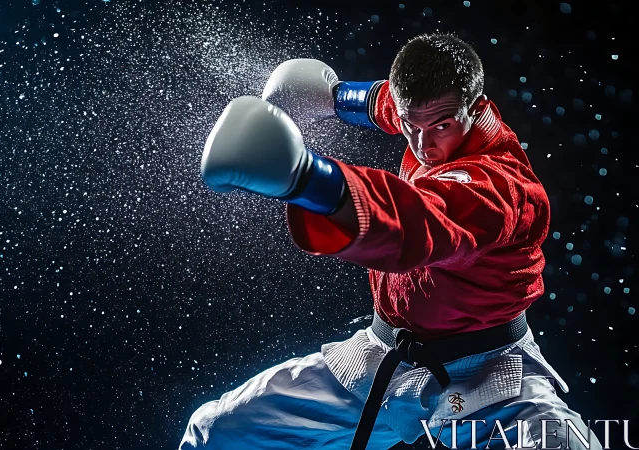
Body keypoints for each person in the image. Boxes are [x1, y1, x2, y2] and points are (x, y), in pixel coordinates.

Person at [181, 33, 601, 450]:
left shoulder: (502, 187)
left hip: (488, 378)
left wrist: (308, 180)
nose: (423, 145)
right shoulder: (425, 113)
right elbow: (386, 103)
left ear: (476, 108)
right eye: (409, 126)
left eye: (441, 126)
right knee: (217, 432)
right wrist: (335, 96)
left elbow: (419, 220)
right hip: (382, 359)